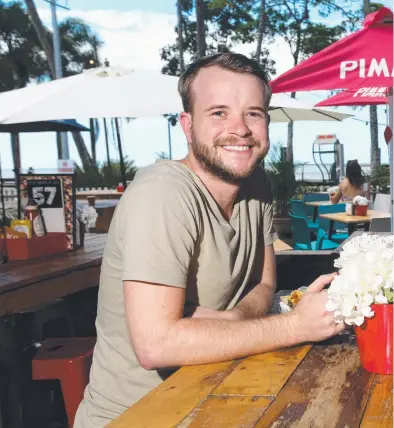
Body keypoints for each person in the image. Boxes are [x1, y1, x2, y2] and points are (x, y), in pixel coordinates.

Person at [74, 53, 344, 427]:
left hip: (224, 395)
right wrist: (295, 326)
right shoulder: (162, 194)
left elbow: (265, 283)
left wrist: (230, 320)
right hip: (143, 416)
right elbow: (156, 345)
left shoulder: (257, 183)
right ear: (187, 125)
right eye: (218, 112)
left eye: (254, 113)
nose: (240, 128)